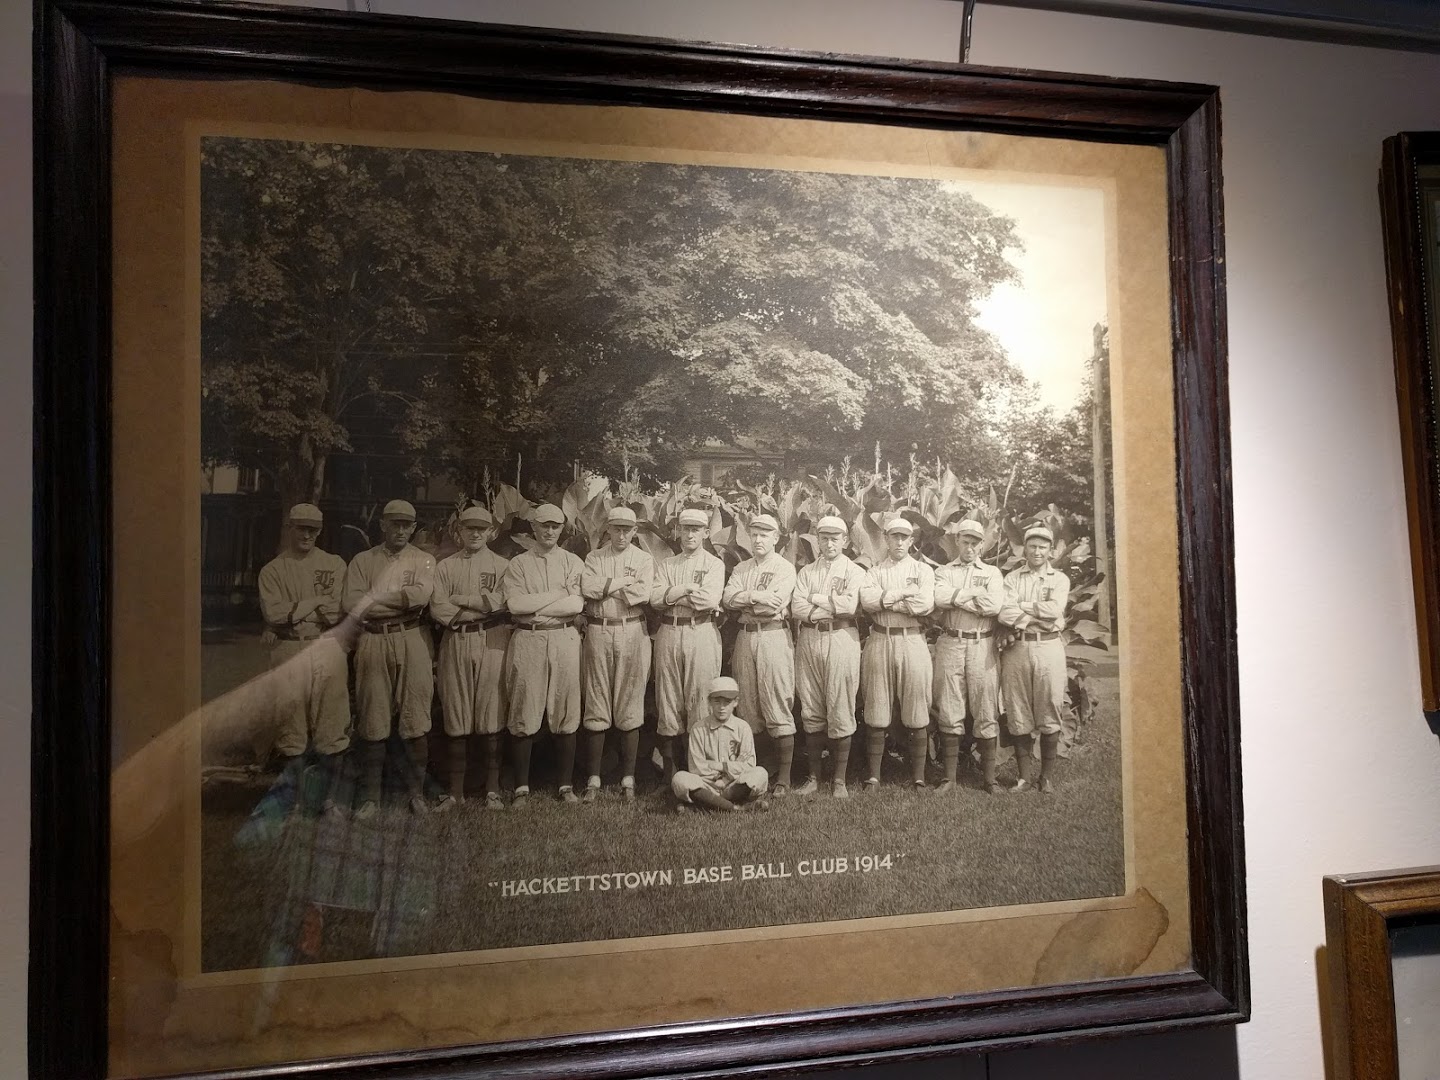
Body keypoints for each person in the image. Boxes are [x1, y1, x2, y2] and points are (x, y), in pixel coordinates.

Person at [343, 499, 437, 818]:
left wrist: (376, 598)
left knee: (416, 715)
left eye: (406, 524)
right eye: (395, 523)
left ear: (414, 527)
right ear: (382, 524)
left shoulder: (423, 559)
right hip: (373, 638)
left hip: (412, 637)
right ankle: (370, 797)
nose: (400, 529)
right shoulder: (363, 560)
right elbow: (351, 604)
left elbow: (420, 598)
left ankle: (416, 794)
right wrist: (398, 601)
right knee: (373, 714)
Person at [256, 503, 351, 812]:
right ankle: (295, 802)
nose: (307, 534)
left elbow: (336, 612)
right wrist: (316, 602)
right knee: (291, 725)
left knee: (332, 722)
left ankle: (329, 801)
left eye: (313, 529)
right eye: (301, 528)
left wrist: (296, 609)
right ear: (290, 528)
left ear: (320, 531)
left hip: (325, 644)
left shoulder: (334, 563)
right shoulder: (273, 570)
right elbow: (274, 614)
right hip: (288, 648)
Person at [429, 504, 510, 811]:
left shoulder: (503, 565)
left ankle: (492, 790)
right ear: (458, 531)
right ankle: (455, 793)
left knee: (492, 711)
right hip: (456, 640)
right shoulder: (445, 566)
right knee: (456, 712)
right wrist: (478, 609)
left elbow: (501, 603)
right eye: (469, 528)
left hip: (492, 639)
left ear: (491, 532)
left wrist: (462, 601)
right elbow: (438, 606)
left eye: (481, 529)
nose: (475, 534)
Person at [503, 503, 585, 805]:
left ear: (562, 529)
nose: (550, 531)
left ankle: (565, 786)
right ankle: (521, 788)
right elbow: (516, 606)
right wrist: (557, 595)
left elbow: (576, 605)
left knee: (565, 707)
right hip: (529, 638)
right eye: (544, 525)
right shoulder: (519, 564)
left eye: (555, 526)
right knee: (524, 706)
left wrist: (537, 605)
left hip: (564, 637)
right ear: (533, 527)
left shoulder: (573, 562)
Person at [579, 506, 655, 802]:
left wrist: (606, 586)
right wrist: (623, 583)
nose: (621, 535)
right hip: (599, 629)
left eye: (627, 529)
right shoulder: (594, 557)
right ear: (607, 529)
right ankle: (594, 779)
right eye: (616, 529)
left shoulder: (643, 558)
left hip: (632, 629)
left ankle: (628, 778)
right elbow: (588, 589)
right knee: (596, 699)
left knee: (630, 700)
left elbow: (643, 594)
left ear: (635, 531)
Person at [721, 513, 798, 793]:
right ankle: (755, 773)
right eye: (754, 534)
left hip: (773, 635)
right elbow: (727, 599)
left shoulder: (785, 568)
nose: (758, 539)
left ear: (776, 538)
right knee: (748, 705)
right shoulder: (741, 568)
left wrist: (746, 600)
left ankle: (784, 779)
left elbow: (773, 605)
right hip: (745, 636)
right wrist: (756, 597)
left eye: (764, 534)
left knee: (777, 701)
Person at [790, 514, 865, 797]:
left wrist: (816, 599)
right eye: (824, 538)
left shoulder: (854, 571)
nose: (829, 543)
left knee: (840, 704)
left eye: (835, 538)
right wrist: (828, 605)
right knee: (810, 705)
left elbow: (848, 606)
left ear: (845, 540)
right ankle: (813, 778)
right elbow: (797, 607)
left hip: (841, 637)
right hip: (810, 637)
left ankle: (839, 781)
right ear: (818, 540)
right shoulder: (807, 571)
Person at [858, 516, 935, 792]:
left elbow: (925, 604)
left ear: (911, 541)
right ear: (886, 539)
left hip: (912, 639)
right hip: (880, 637)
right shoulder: (875, 571)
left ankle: (918, 777)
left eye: (904, 537)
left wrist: (887, 600)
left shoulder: (923, 570)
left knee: (917, 707)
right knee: (877, 706)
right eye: (894, 536)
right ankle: (874, 776)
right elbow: (867, 601)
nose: (899, 542)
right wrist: (904, 595)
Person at [650, 507, 726, 782]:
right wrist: (686, 590)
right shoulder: (667, 564)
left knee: (700, 701)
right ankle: (671, 776)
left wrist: (672, 594)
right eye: (685, 528)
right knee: (668, 701)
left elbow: (709, 600)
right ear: (678, 531)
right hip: (669, 631)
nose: (690, 534)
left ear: (705, 532)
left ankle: (700, 774)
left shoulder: (714, 564)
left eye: (696, 529)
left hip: (700, 631)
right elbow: (655, 599)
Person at [930, 518, 1005, 794]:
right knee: (949, 707)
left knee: (986, 707)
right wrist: (974, 594)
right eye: (965, 541)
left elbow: (994, 605)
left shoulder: (993, 573)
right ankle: (949, 778)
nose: (970, 547)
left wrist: (957, 598)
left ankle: (989, 779)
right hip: (951, 641)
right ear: (957, 542)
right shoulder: (944, 571)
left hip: (982, 644)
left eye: (975, 543)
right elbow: (939, 598)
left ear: (982, 545)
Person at [998, 524, 1071, 794]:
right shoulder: (1012, 578)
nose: (1037, 551)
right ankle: (1024, 778)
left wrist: (1023, 608)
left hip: (1048, 647)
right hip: (1017, 648)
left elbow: (1055, 610)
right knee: (1017, 708)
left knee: (1050, 705)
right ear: (1025, 549)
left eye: (1042, 547)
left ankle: (1046, 777)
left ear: (1050, 550)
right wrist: (1035, 616)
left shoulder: (1059, 579)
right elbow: (1003, 612)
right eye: (1032, 546)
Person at [671, 676, 769, 812]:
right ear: (709, 702)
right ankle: (735, 808)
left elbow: (748, 764)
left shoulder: (743, 727)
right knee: (679, 779)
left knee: (760, 774)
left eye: (727, 702)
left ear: (736, 702)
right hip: (707, 784)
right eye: (717, 701)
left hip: (734, 784)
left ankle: (705, 804)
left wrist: (722, 769)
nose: (722, 707)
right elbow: (696, 767)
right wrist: (719, 777)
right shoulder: (698, 728)